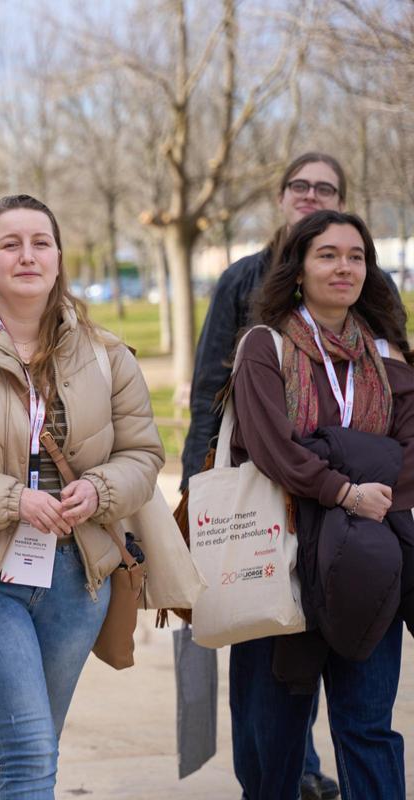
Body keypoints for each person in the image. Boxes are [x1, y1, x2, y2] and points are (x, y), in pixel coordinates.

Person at [0, 194, 164, 798]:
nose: (27, 255)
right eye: (10, 244)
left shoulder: (108, 357)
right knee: (28, 747)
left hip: (79, 580)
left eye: (41, 243)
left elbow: (145, 456)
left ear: (58, 259)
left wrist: (100, 489)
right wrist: (12, 500)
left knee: (38, 744)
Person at [180, 153, 351, 800]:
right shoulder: (241, 280)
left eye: (325, 188)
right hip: (253, 490)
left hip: (333, 494)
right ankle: (269, 780)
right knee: (258, 642)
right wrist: (198, 488)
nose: (311, 195)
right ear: (281, 198)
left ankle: (298, 764)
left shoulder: (358, 277)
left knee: (311, 644)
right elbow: (207, 391)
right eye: (300, 186)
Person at [228, 210, 412, 800]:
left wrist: (364, 494)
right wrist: (346, 488)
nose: (344, 267)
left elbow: (410, 455)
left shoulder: (388, 355)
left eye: (356, 256)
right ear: (300, 268)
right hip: (280, 561)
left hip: (368, 564)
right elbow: (270, 448)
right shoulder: (266, 346)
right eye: (327, 255)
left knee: (369, 730)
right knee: (273, 741)